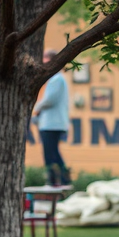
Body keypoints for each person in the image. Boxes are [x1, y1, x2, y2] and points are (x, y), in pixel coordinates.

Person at [33, 49, 71, 188]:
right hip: (52, 123)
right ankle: (61, 180)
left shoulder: (56, 78)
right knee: (53, 151)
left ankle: (55, 181)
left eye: (45, 59)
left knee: (50, 153)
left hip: (51, 123)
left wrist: (36, 107)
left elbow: (49, 100)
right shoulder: (57, 78)